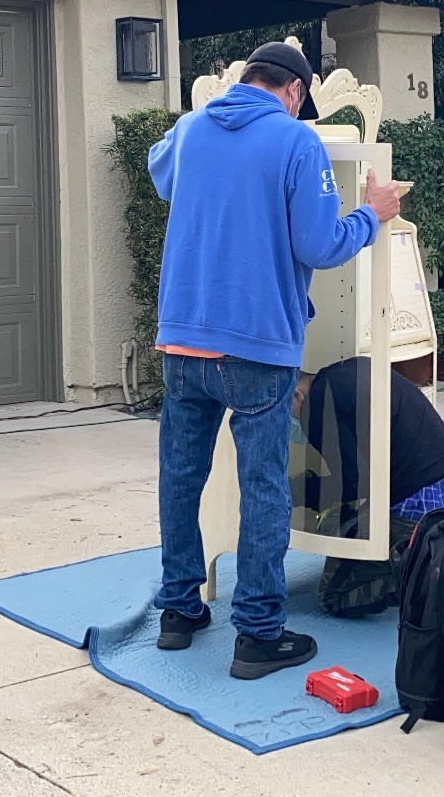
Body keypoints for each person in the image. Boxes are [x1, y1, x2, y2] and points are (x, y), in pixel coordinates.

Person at [147, 41, 400, 680]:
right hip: (257, 346)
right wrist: (372, 215)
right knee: (263, 488)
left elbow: (161, 174)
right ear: (294, 91)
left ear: (246, 81)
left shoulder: (188, 129)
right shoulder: (296, 143)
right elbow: (319, 242)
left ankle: (179, 613)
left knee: (181, 479)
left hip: (181, 341)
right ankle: (257, 635)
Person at [292, 356, 444, 617]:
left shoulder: (314, 405)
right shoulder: (352, 368)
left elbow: (354, 483)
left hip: (421, 505)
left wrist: (300, 491)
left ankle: (423, 577)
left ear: (297, 395)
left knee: (334, 596)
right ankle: (430, 553)